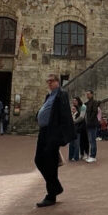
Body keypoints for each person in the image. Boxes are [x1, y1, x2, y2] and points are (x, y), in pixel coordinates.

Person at [34, 73, 74, 207]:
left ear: (58, 82)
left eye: (52, 81)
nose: (49, 83)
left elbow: (65, 115)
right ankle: (55, 187)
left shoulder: (61, 94)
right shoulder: (49, 95)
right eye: (48, 81)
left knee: (49, 163)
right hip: (44, 131)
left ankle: (51, 195)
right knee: (39, 160)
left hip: (52, 133)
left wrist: (62, 136)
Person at [84, 90, 99, 163]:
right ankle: (91, 155)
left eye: (88, 94)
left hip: (92, 124)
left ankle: (93, 156)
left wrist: (89, 121)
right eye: (87, 94)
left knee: (92, 140)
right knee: (90, 140)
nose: (87, 95)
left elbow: (95, 112)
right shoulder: (87, 103)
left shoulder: (94, 102)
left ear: (92, 94)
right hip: (88, 124)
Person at [69, 97, 84, 162]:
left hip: (77, 131)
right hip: (71, 131)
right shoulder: (70, 115)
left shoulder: (78, 115)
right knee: (71, 144)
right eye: (72, 109)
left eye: (74, 109)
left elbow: (81, 123)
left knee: (76, 144)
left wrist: (78, 129)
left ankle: (76, 157)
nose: (72, 110)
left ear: (76, 110)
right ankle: (70, 156)